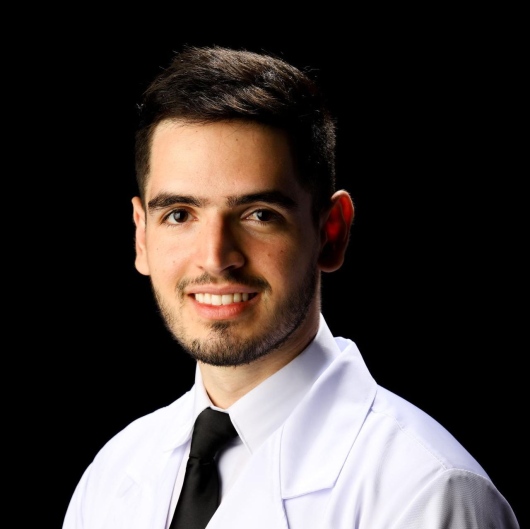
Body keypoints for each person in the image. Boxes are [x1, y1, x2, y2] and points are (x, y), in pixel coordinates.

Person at [62, 45, 519, 529]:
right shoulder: (112, 475)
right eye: (179, 215)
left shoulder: (428, 494)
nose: (215, 257)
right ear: (141, 236)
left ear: (331, 232)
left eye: (259, 215)